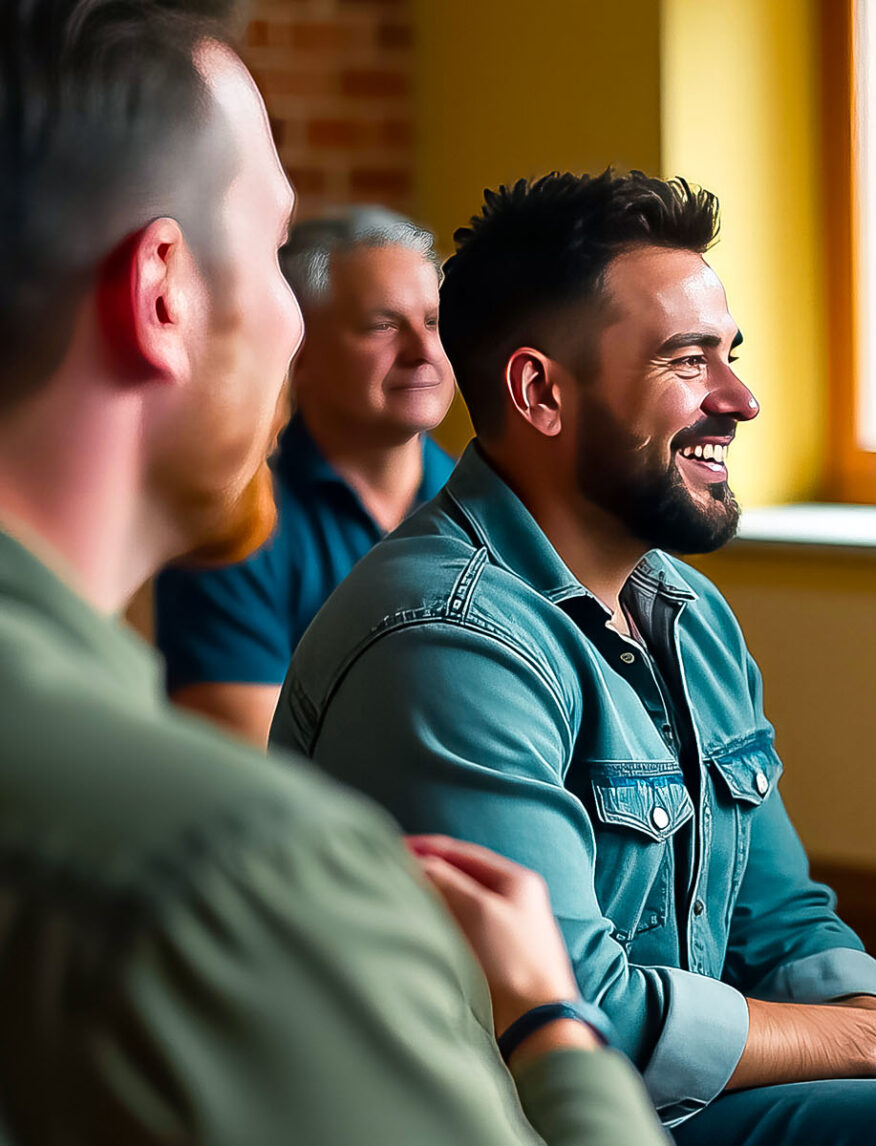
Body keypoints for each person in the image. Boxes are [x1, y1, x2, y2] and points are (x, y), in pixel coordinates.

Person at [274, 171, 876, 1146]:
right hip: (540, 1125)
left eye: (729, 355)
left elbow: (787, 920)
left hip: (693, 1107)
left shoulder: (687, 612)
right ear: (540, 392)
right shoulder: (446, 642)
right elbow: (575, 1014)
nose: (740, 399)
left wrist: (875, 1030)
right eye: (687, 361)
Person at [0, 2, 664, 1141]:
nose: (292, 331)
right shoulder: (249, 881)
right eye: (267, 252)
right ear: (164, 291)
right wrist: (551, 1022)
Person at [154, 204, 457, 743]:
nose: (424, 350)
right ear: (300, 352)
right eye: (382, 325)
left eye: (432, 321)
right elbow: (256, 766)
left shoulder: (495, 507)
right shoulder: (229, 526)